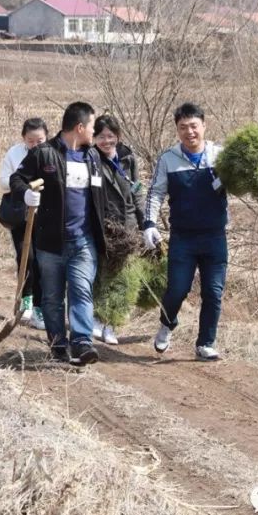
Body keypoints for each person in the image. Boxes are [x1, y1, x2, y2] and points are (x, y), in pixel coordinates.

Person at [11, 102, 107, 366]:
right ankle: (58, 345)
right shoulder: (44, 154)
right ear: (79, 127)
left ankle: (82, 343)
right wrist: (26, 194)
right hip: (50, 243)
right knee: (53, 297)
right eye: (91, 126)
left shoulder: (93, 157)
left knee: (81, 291)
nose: (94, 131)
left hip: (83, 240)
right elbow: (16, 180)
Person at [143, 102, 228, 362]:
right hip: (183, 238)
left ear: (204, 126)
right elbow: (155, 192)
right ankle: (167, 324)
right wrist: (149, 223)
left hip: (215, 236)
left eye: (194, 126)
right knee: (177, 290)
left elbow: (241, 183)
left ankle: (205, 343)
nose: (189, 132)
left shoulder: (220, 156)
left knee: (213, 292)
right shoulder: (168, 159)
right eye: (183, 128)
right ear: (177, 130)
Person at [91, 114, 145, 345]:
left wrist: (146, 224)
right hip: (103, 226)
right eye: (101, 136)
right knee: (101, 274)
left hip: (128, 226)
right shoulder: (90, 159)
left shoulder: (128, 158)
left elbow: (137, 190)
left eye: (110, 136)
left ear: (118, 136)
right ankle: (96, 319)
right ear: (93, 138)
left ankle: (111, 324)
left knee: (121, 277)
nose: (106, 141)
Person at [0, 118, 49, 329]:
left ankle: (40, 306)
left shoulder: (51, 154)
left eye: (40, 140)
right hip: (20, 214)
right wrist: (22, 186)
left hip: (45, 216)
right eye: (31, 141)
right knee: (26, 256)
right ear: (23, 139)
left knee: (42, 261)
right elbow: (2, 182)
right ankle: (25, 299)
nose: (35, 145)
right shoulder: (14, 154)